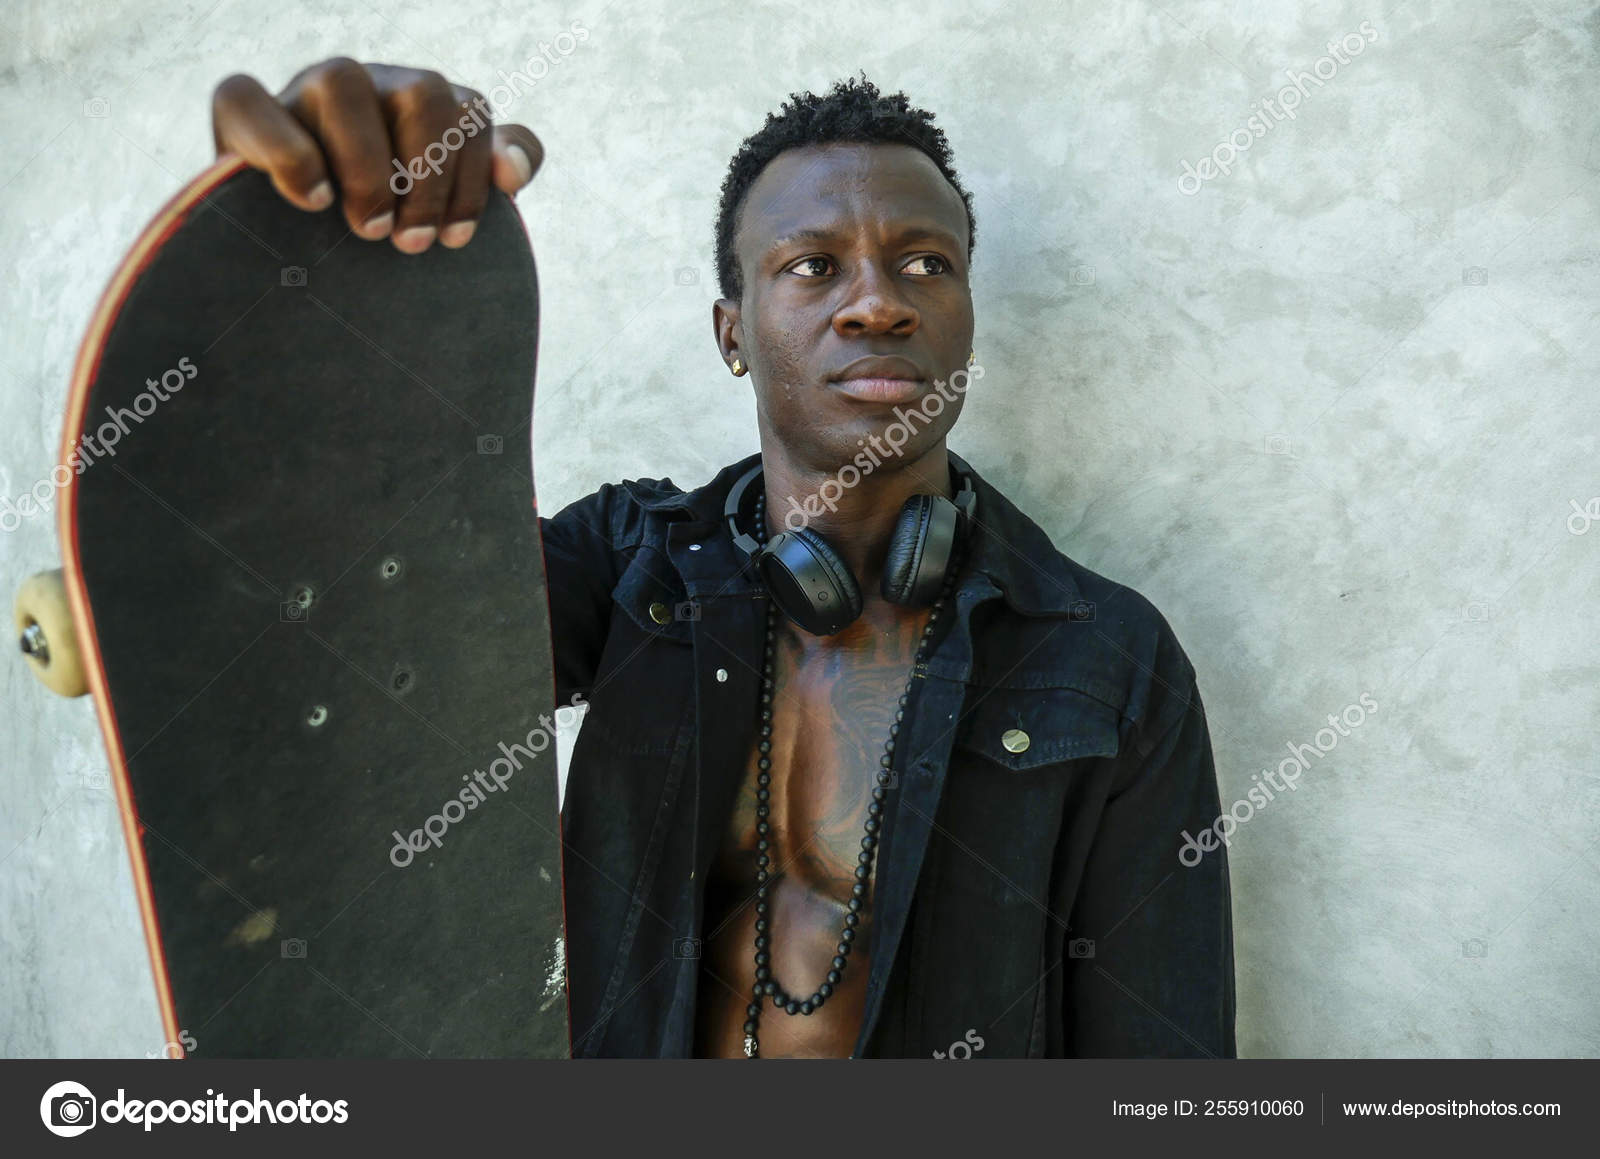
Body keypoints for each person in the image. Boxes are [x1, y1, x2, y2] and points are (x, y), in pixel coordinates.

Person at [211, 59, 1236, 1058]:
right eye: (813, 265)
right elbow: (363, 645)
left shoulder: (1103, 656)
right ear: (731, 333)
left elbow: (1160, 1061)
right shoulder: (628, 565)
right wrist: (331, 277)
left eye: (927, 263)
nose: (878, 303)